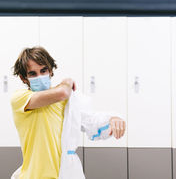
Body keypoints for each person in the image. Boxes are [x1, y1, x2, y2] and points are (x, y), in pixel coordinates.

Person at [10, 46, 126, 179]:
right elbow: (63, 92)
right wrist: (67, 82)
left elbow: (91, 121)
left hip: (66, 174)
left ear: (51, 71)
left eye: (44, 71)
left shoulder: (66, 102)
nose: (40, 77)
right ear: (23, 78)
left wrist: (113, 118)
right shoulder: (20, 99)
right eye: (33, 74)